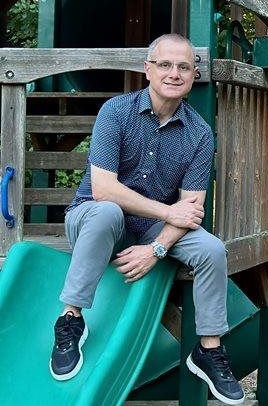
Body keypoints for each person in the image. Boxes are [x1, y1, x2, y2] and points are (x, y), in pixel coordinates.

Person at [48, 34, 244, 405]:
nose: (174, 73)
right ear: (147, 69)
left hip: (151, 231)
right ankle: (71, 318)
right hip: (93, 219)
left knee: (211, 248)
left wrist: (156, 249)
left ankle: (209, 348)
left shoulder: (200, 134)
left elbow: (192, 210)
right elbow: (104, 189)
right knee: (107, 211)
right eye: (165, 65)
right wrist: (169, 212)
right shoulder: (115, 112)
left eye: (184, 67)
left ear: (193, 74)